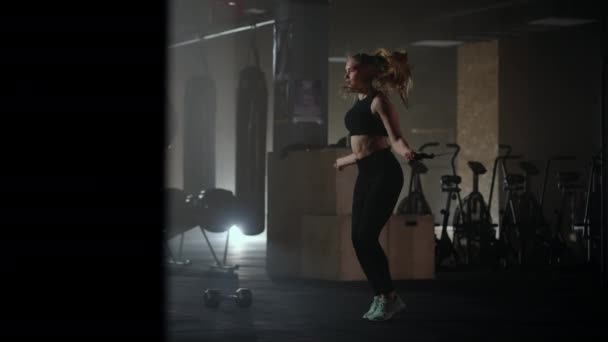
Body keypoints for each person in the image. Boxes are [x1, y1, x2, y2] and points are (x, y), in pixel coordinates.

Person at [334, 48, 415, 321]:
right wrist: (344, 160)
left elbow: (395, 139)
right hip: (366, 173)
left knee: (367, 236)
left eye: (352, 69)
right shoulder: (358, 101)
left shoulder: (379, 101)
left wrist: (407, 153)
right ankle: (382, 296)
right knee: (358, 238)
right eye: (346, 69)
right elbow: (363, 148)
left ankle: (389, 297)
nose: (347, 73)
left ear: (368, 72)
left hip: (385, 173)